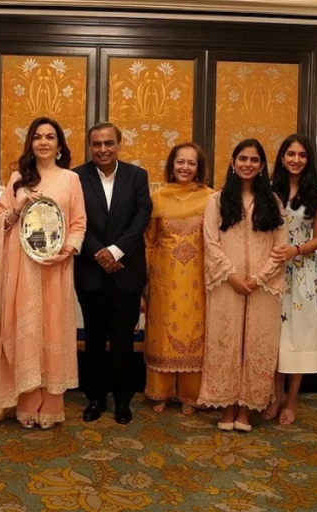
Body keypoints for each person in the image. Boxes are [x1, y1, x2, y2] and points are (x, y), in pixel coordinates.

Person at [0, 117, 87, 430]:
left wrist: (68, 249)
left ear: (59, 145)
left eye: (50, 137)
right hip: (22, 270)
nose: (43, 142)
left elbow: (78, 223)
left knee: (53, 330)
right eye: (37, 137)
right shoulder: (18, 178)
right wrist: (17, 211)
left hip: (56, 269)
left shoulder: (70, 179)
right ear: (31, 143)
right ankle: (27, 404)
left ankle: (51, 407)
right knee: (26, 332)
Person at [198, 139, 288, 432]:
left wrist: (259, 278)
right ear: (233, 163)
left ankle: (247, 409)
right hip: (226, 283)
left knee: (257, 343)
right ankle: (226, 406)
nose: (248, 164)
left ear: (262, 166)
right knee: (225, 341)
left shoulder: (272, 202)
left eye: (254, 160)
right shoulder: (216, 200)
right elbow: (210, 243)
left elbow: (281, 245)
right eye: (242, 159)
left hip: (264, 285)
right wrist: (232, 275)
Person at [73, 122, 152, 425]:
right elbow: (75, 219)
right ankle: (95, 397)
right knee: (93, 338)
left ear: (119, 144)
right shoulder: (76, 177)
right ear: (89, 146)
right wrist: (100, 253)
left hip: (126, 271)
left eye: (109, 143)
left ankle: (122, 399)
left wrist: (117, 251)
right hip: (91, 273)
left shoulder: (136, 176)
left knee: (123, 339)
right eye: (96, 144)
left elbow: (142, 215)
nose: (102, 149)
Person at [262, 134, 317, 425]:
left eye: (302, 155)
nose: (296, 159)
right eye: (290, 154)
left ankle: (291, 400)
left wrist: (295, 250)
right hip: (274, 269)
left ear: (308, 159)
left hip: (304, 271)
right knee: (275, 336)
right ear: (281, 157)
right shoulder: (268, 190)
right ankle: (275, 395)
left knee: (299, 336)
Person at [143, 142, 212, 416]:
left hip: (198, 279)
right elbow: (149, 240)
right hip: (164, 277)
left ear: (199, 167)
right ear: (172, 164)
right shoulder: (158, 197)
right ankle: (160, 392)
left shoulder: (211, 198)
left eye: (191, 163)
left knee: (195, 333)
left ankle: (190, 395)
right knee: (162, 332)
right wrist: (146, 280)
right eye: (180, 162)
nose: (185, 167)